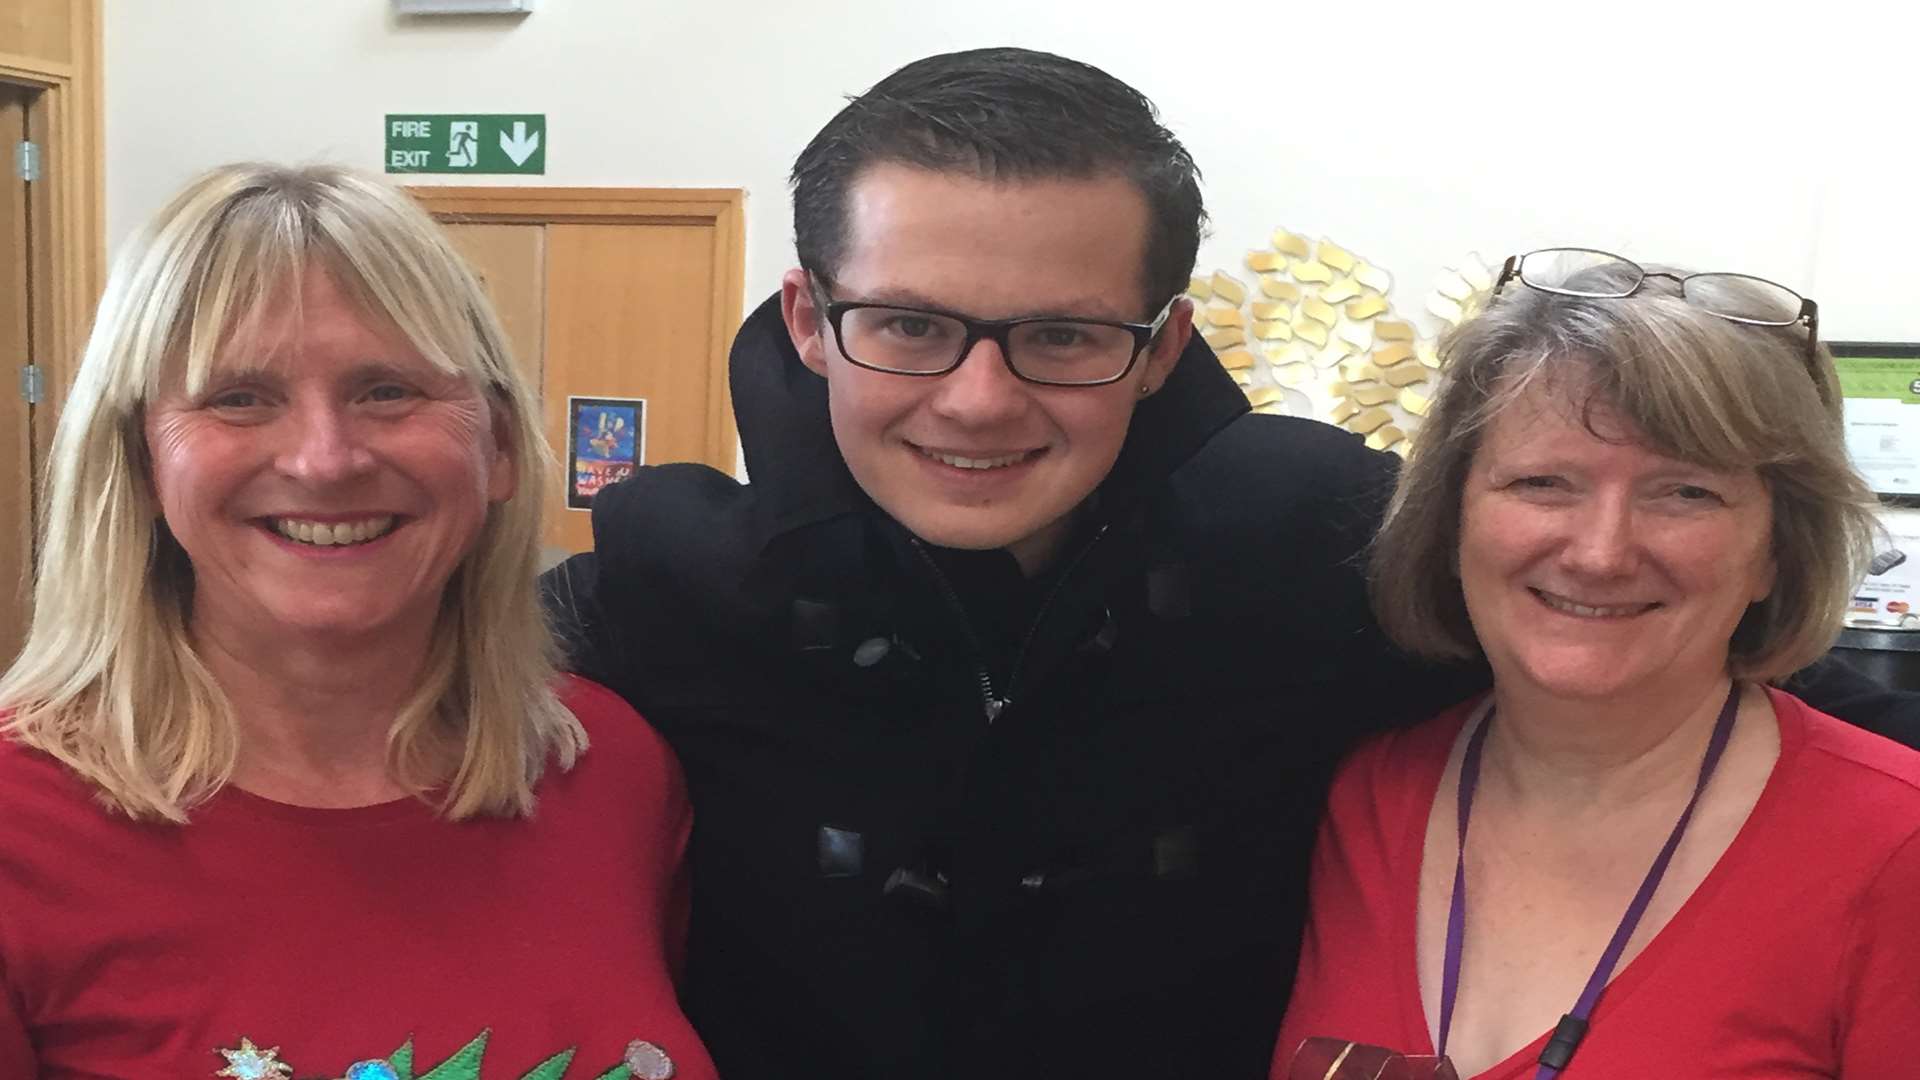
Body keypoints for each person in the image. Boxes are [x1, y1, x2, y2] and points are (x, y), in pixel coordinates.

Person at [544, 50, 1920, 1079]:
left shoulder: (1317, 542)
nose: (977, 400)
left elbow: (1648, 648)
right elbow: (388, 694)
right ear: (806, 316)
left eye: (1063, 337)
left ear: (1160, 345)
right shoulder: (678, 583)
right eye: (907, 324)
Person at [0, 164, 715, 1080]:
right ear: (140, 464)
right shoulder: (24, 833)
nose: (323, 461)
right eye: (238, 397)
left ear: (496, 445)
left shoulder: (614, 772)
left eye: (387, 390)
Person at [1273, 250, 1920, 1078]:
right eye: (1544, 482)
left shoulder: (1893, 853)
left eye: (1685, 492)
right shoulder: (1367, 798)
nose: (1602, 553)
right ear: (1453, 519)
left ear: (1775, 556)